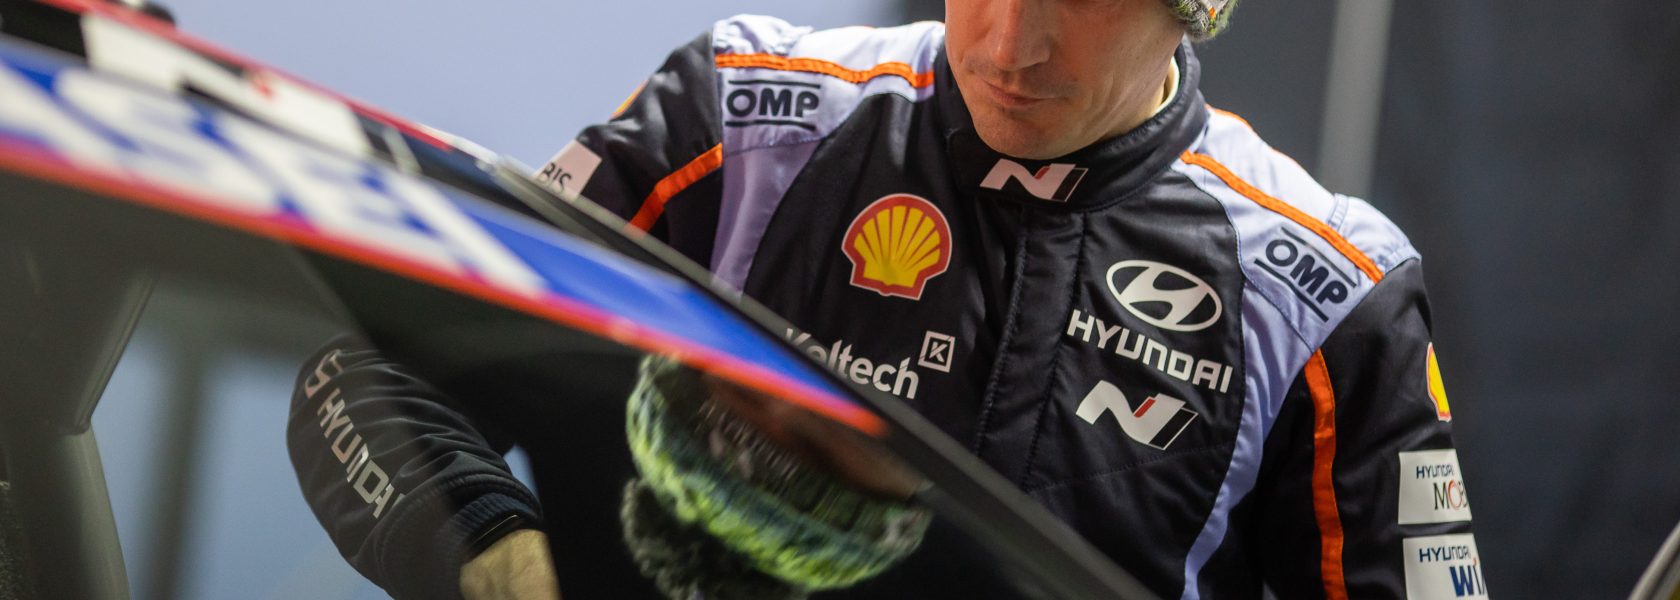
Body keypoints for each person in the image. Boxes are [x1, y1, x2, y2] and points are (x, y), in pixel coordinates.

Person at [289, 0, 1486, 598]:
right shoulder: (743, 113)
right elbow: (366, 369)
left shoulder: (1332, 284)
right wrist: (496, 554)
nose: (1011, 44)